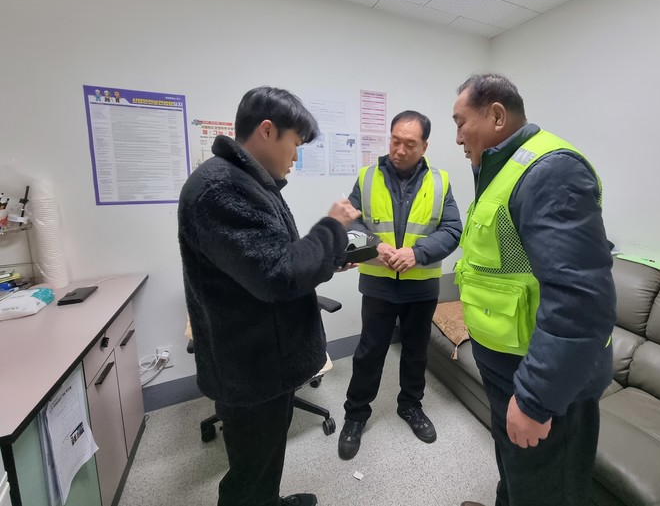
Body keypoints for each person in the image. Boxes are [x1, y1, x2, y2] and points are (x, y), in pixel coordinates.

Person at [178, 86, 360, 506]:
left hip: (267, 359)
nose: (296, 156)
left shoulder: (249, 182)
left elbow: (277, 257)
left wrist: (330, 257)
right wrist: (332, 227)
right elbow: (277, 276)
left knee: (265, 458)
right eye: (295, 143)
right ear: (266, 130)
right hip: (250, 366)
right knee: (249, 472)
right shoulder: (220, 190)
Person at [451, 74, 616, 506]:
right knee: (516, 472)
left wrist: (535, 399)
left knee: (546, 491)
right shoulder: (502, 171)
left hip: (539, 375)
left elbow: (578, 301)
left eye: (460, 123)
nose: (458, 138)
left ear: (497, 116)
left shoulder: (550, 171)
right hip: (507, 365)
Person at [338, 110, 462, 460]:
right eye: (395, 141)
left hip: (421, 287)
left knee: (416, 351)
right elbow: (349, 224)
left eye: (409, 144)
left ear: (424, 146)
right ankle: (355, 414)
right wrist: (373, 246)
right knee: (369, 352)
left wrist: (418, 253)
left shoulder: (440, 181)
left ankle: (410, 405)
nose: (400, 150)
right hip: (378, 284)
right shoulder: (367, 177)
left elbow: (452, 229)